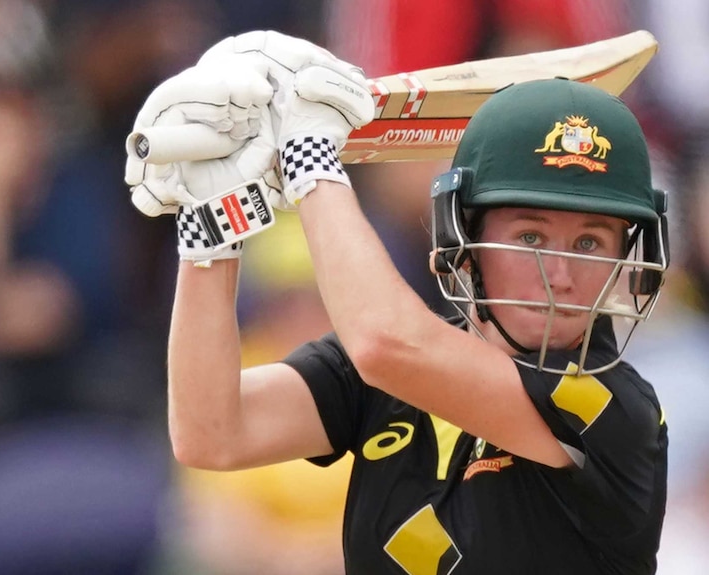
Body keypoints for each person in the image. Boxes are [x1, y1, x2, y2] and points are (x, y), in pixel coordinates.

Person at [125, 31, 669, 574]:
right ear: (462, 241)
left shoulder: (615, 408)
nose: (561, 274)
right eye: (529, 237)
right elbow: (211, 431)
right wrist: (210, 228)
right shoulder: (382, 377)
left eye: (590, 243)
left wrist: (310, 161)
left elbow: (386, 345)